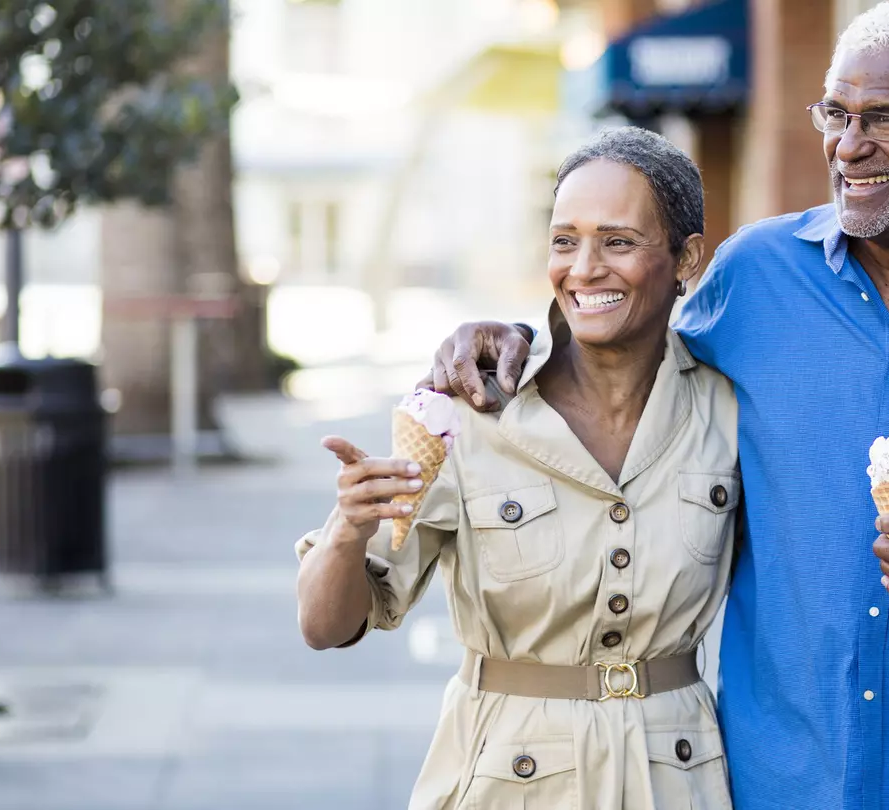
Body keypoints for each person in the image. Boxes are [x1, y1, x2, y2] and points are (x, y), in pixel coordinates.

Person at [423, 2, 889, 809]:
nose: (848, 146)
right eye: (836, 113)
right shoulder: (754, 279)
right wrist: (512, 338)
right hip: (781, 784)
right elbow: (625, 364)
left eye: (885, 119)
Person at [295, 127, 739, 809]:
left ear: (686, 259)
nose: (585, 267)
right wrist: (349, 532)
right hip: (506, 780)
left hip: (675, 780)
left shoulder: (728, 412)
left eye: (618, 241)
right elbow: (326, 626)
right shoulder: (469, 412)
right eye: (565, 241)